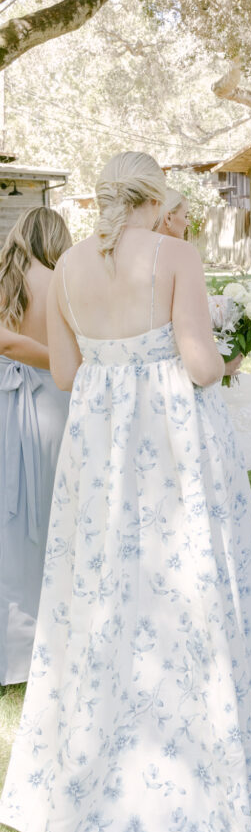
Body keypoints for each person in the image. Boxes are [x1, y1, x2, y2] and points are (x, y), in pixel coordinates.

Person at [0, 152, 251, 832]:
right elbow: (199, 366)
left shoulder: (64, 268)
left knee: (98, 584)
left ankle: (102, 729)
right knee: (179, 575)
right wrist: (218, 350)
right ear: (154, 198)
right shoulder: (174, 254)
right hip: (169, 442)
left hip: (98, 447)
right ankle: (188, 736)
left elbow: (67, 374)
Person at [0, 206, 72, 684]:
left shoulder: (9, 276)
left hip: (9, 402)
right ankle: (49, 641)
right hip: (51, 402)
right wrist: (60, 362)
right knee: (51, 516)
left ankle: (18, 644)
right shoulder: (62, 280)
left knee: (15, 518)